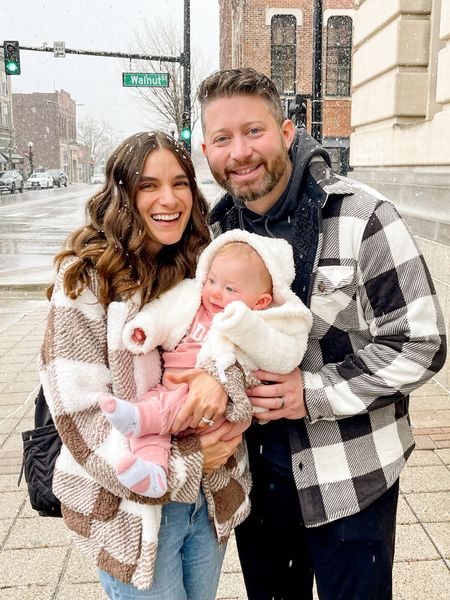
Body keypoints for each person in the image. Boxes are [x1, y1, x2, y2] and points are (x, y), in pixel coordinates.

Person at [197, 68, 447, 600]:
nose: (240, 152)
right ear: (206, 149)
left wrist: (312, 393)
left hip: (352, 481)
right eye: (222, 138)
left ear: (287, 133)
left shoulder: (364, 217)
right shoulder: (215, 238)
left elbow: (422, 343)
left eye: (254, 131)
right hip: (255, 485)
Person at [39, 130, 252, 599]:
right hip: (130, 512)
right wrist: (184, 465)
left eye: (180, 183)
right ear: (122, 194)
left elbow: (242, 340)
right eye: (149, 185)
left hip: (208, 501)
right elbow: (80, 416)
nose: (168, 198)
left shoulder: (204, 265)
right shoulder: (86, 281)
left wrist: (220, 381)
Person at [99, 230, 312, 498]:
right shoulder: (193, 302)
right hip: (172, 386)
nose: (215, 292)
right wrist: (145, 328)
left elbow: (277, 354)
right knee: (154, 430)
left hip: (214, 408)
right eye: (211, 280)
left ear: (260, 301)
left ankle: (140, 417)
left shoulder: (255, 324)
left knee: (157, 414)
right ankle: (151, 471)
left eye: (230, 289)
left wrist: (242, 325)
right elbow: (165, 311)